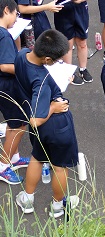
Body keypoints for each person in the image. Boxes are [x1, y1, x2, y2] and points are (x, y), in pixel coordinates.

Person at [14, 29, 79, 217]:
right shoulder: (41, 81)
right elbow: (35, 120)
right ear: (48, 60)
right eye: (57, 60)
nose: (60, 62)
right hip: (55, 125)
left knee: (37, 157)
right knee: (59, 166)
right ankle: (58, 207)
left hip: (40, 130)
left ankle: (27, 200)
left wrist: (60, 82)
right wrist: (54, 108)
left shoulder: (22, 55)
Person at [0, 0, 30, 185]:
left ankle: (15, 157)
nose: (16, 19)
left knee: (16, 121)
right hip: (7, 85)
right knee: (18, 125)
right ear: (6, 10)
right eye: (16, 14)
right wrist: (27, 68)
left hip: (4, 86)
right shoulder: (3, 35)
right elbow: (4, 65)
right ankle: (3, 166)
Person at [54, 0, 93, 86]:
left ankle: (83, 69)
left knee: (82, 42)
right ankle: (69, 73)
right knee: (68, 44)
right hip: (63, 9)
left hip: (81, 9)